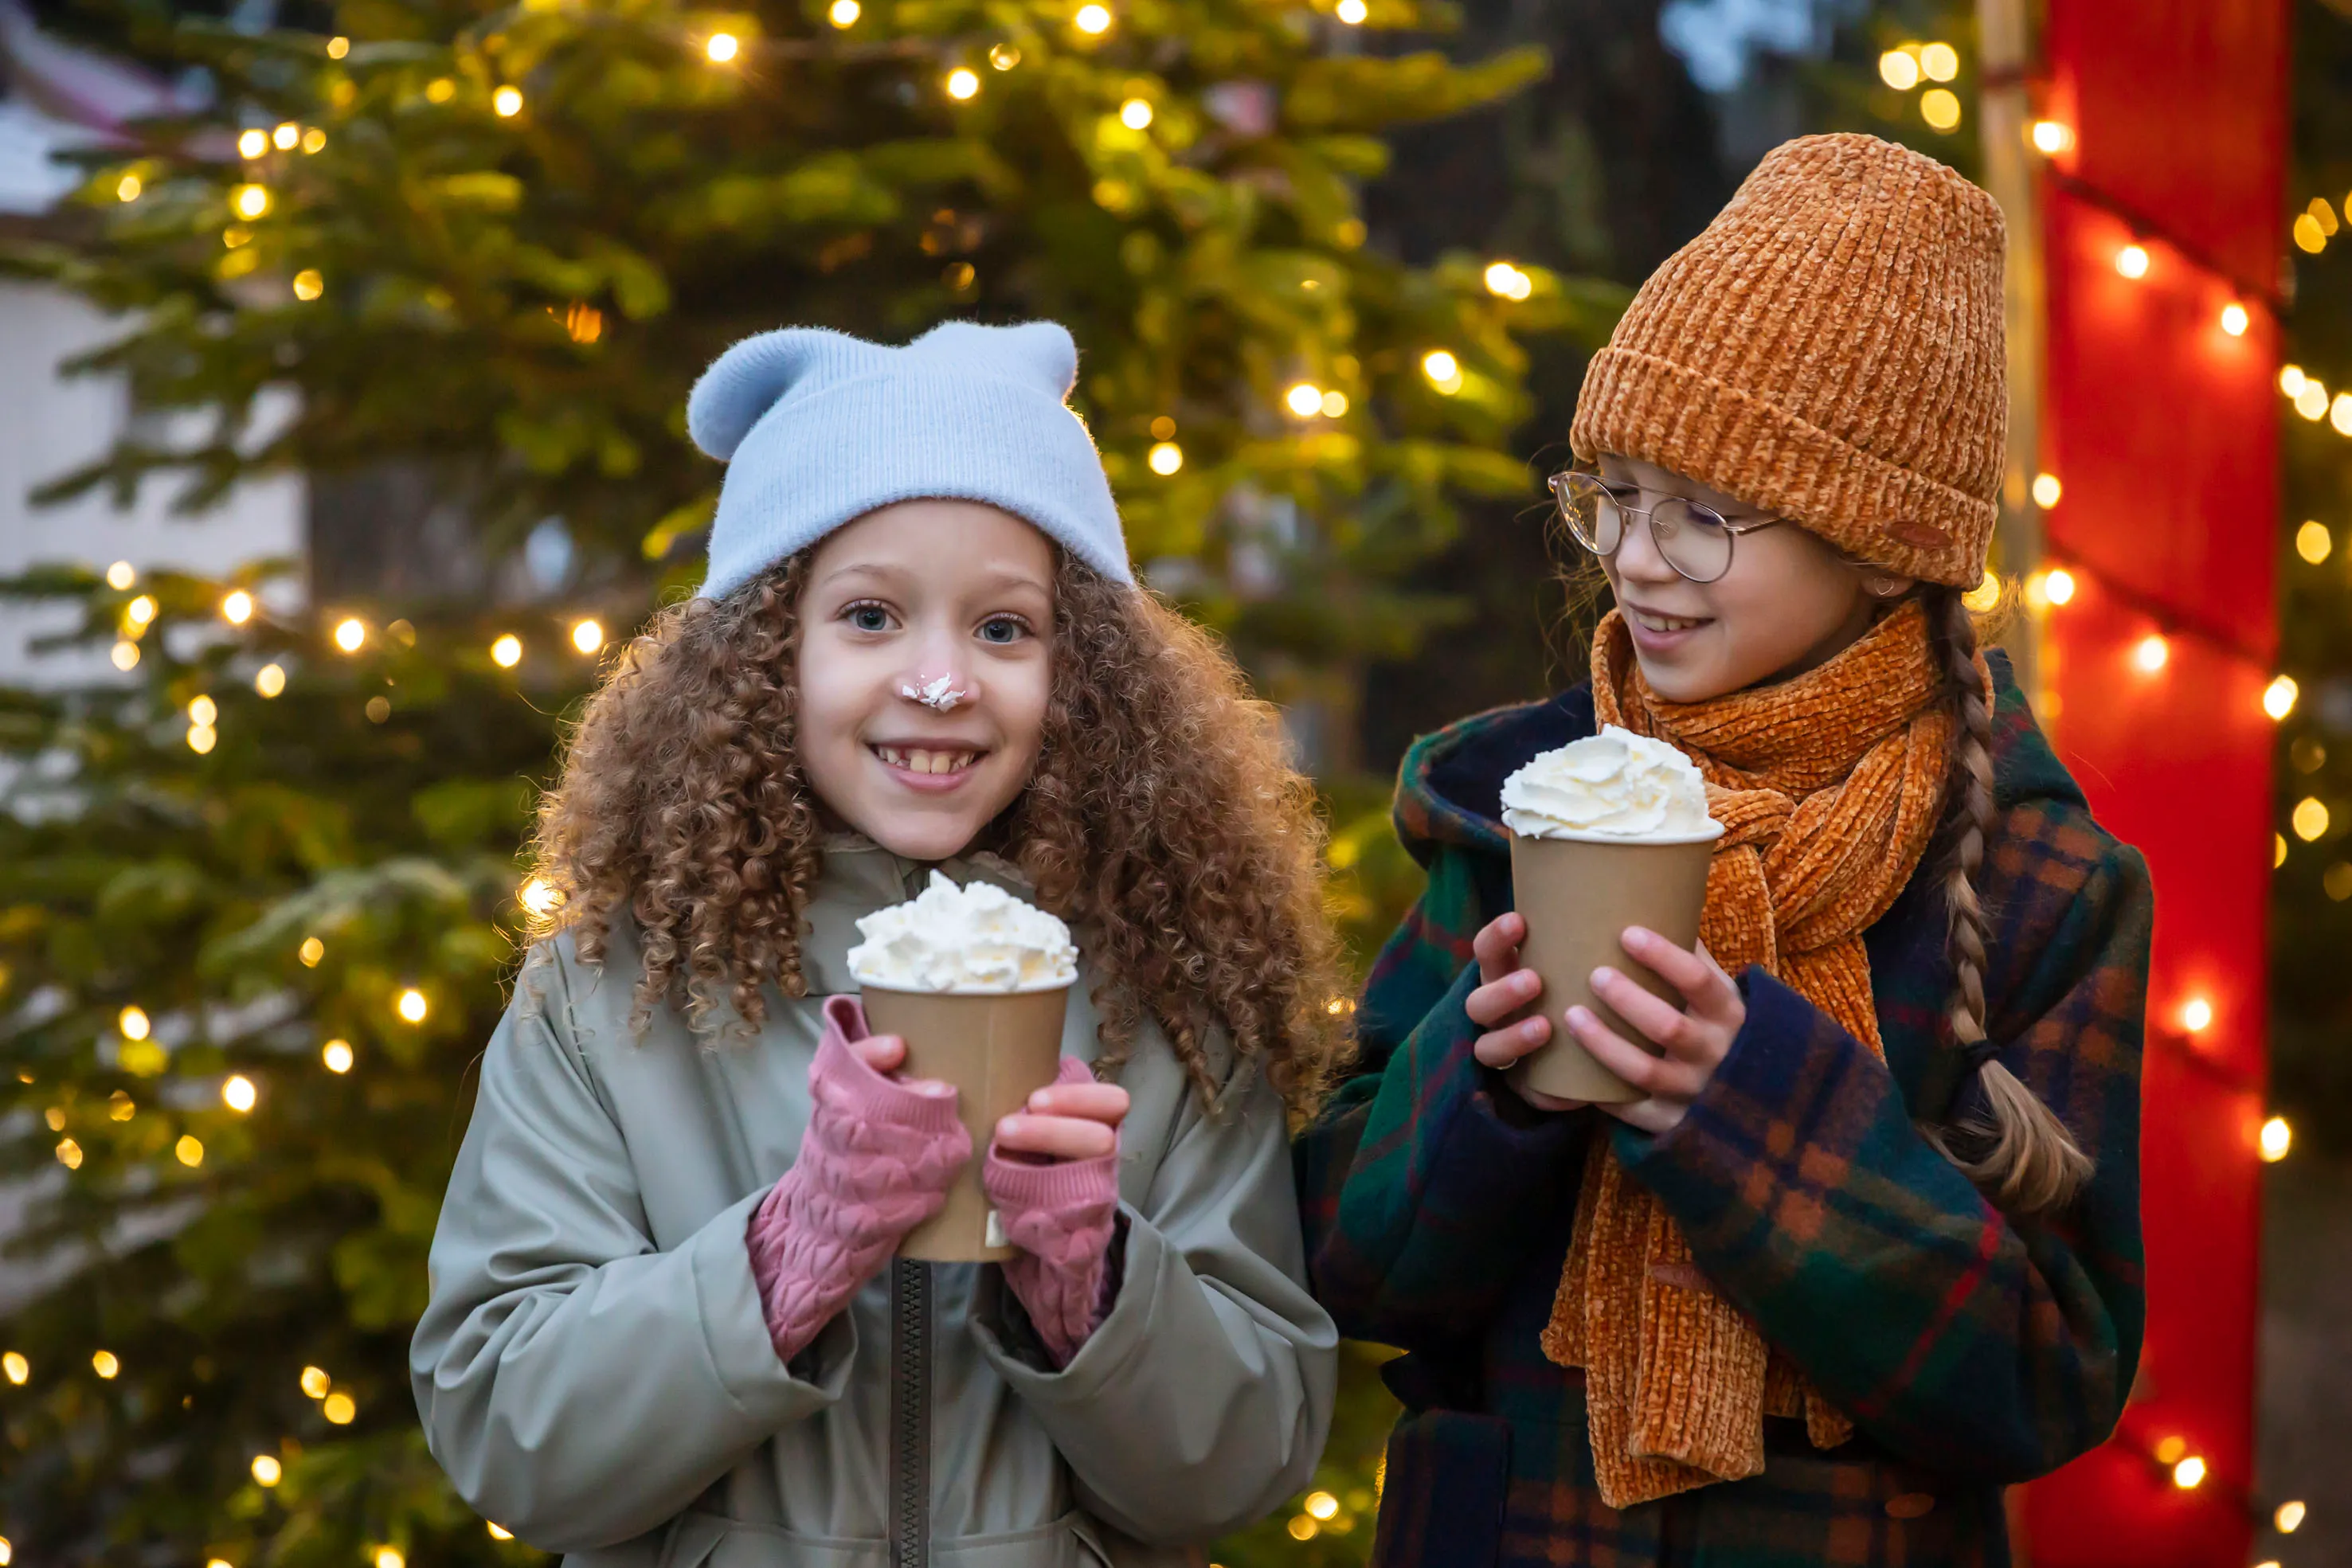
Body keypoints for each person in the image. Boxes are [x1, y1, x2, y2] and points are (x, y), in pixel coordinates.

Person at [1297, 134, 2150, 1566]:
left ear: (1886, 549)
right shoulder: (1508, 802)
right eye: (1616, 494)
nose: (1636, 558)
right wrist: (1479, 1080)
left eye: (1707, 515)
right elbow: (1346, 1261)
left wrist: (1745, 1102)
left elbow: (2044, 1375)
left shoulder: (2039, 886)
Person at [411, 321, 1342, 1566]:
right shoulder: (607, 988)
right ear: (764, 654)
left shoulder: (1167, 987)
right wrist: (791, 1249)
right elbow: (506, 1435)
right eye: (870, 616)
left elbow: (1244, 1466)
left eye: (1005, 629)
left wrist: (1096, 1285)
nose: (944, 681)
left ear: (1088, 675)